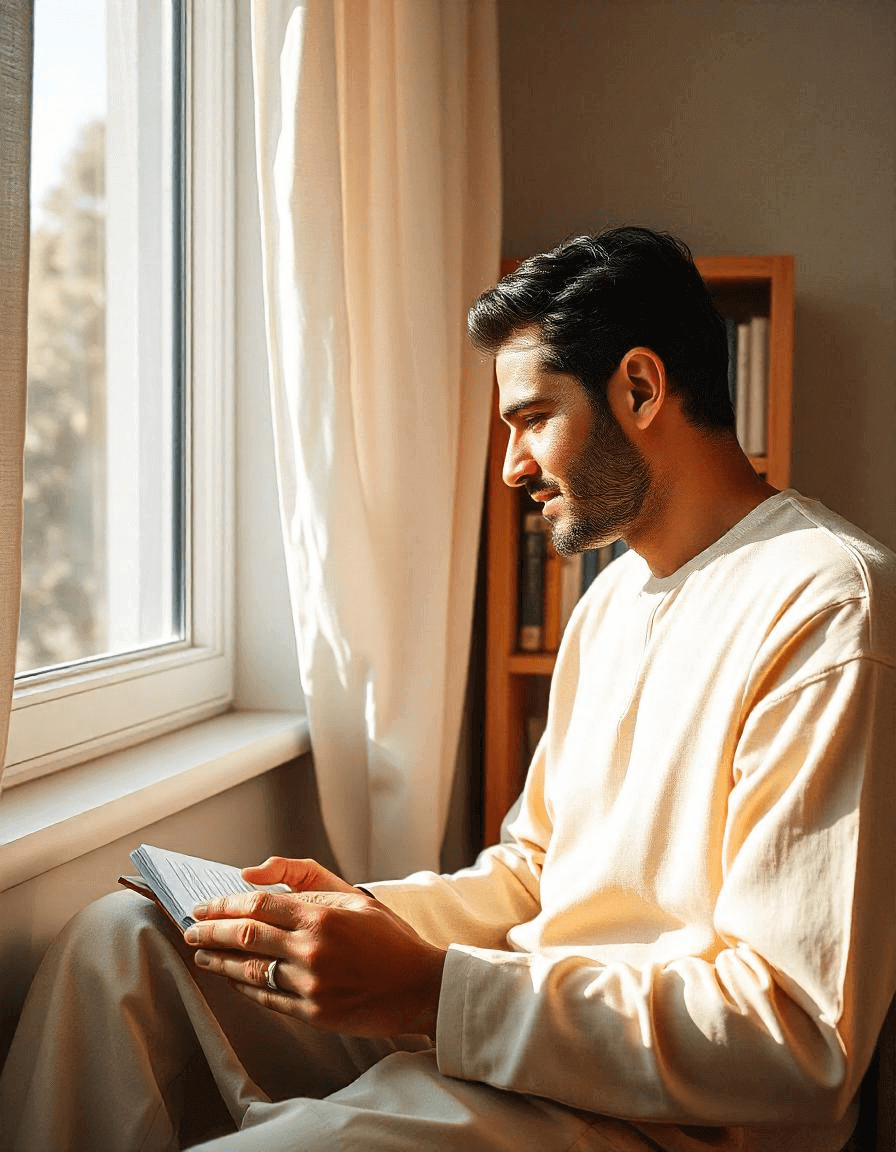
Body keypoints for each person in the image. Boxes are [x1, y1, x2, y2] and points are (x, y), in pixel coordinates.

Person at [2, 227, 894, 1152]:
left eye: (532, 418)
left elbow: (797, 1039)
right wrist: (363, 918)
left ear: (639, 388)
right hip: (511, 1022)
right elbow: (537, 872)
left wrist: (428, 991)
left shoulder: (832, 609)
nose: (511, 467)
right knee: (121, 942)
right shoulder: (616, 596)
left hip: (652, 1122)